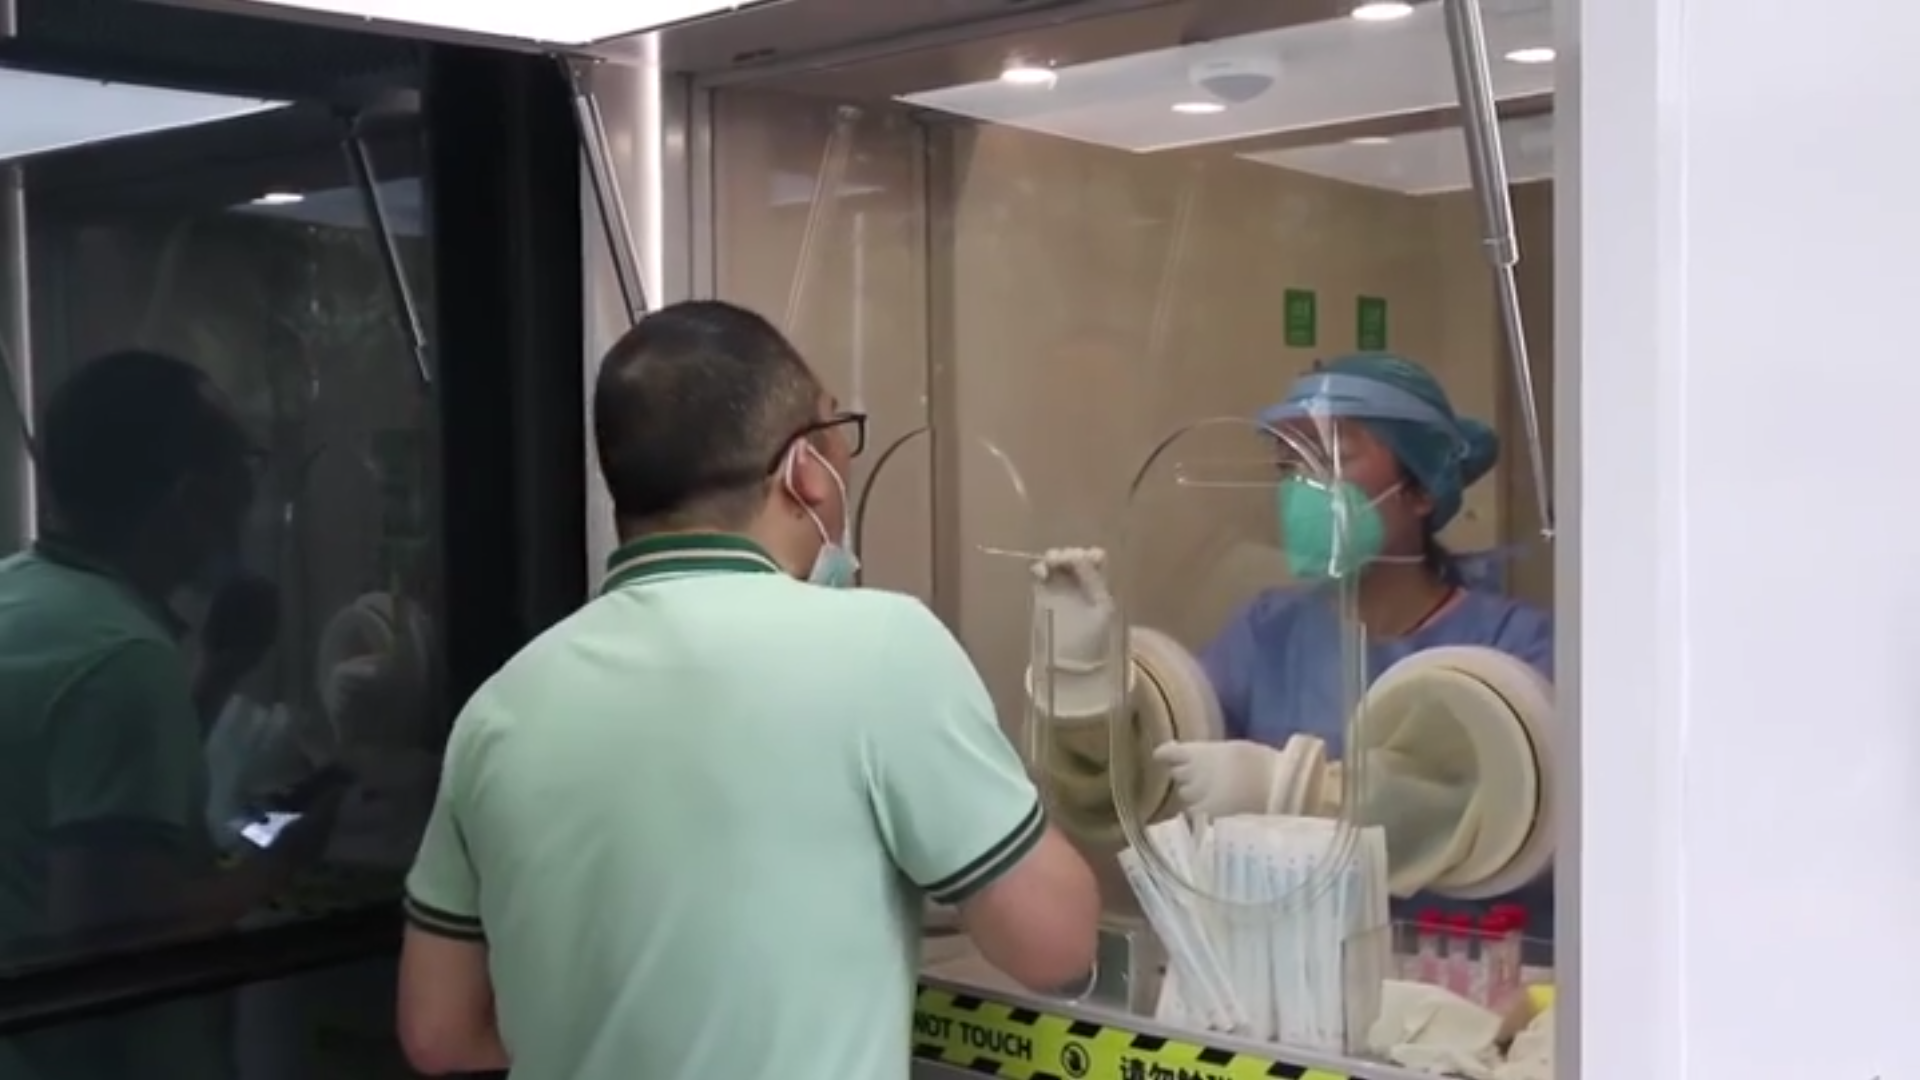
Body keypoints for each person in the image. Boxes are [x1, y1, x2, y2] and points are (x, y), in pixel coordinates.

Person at [395, 300, 1101, 1080]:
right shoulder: (881, 649)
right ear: (806, 469)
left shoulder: (501, 708)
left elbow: (439, 1032)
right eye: (838, 428)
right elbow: (1054, 945)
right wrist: (1083, 717)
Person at [1031, 353, 1554, 930]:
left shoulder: (1516, 647)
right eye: (1288, 463)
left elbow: (1480, 798)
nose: (1303, 485)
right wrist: (1086, 689)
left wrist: (1290, 788)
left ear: (1421, 489)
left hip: (1469, 965)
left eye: (1330, 456)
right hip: (1291, 963)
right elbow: (1154, 777)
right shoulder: (1267, 634)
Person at [0, 349, 333, 1079]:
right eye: (243, 473)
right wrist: (273, 867)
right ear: (192, 499)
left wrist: (216, 674)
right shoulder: (122, 658)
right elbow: (110, 928)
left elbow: (79, 781)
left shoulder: (22, 597)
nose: (250, 506)